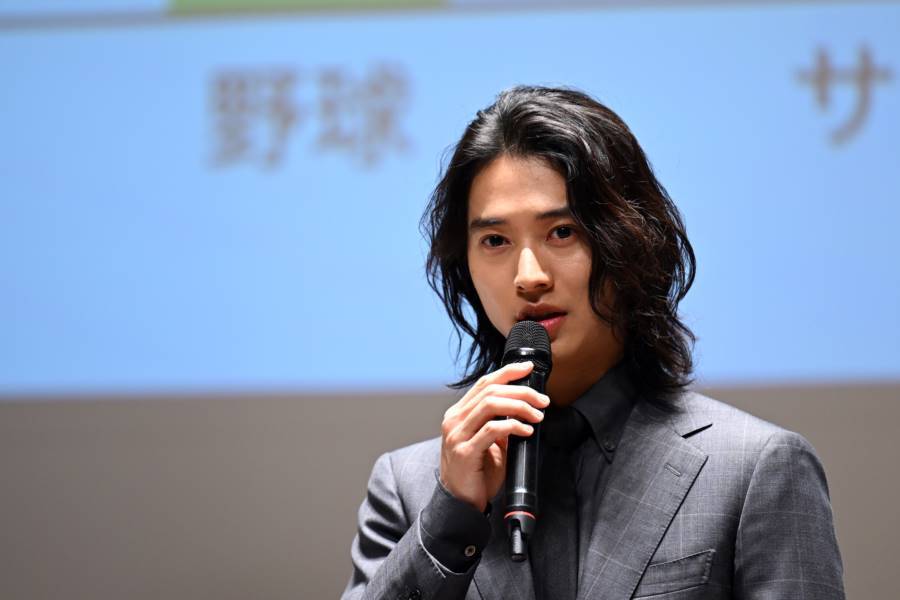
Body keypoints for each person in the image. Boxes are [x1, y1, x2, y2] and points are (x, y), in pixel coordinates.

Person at [341, 86, 844, 600]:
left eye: (562, 232)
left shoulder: (754, 467)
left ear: (631, 240)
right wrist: (451, 517)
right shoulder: (409, 486)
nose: (529, 277)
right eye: (495, 240)